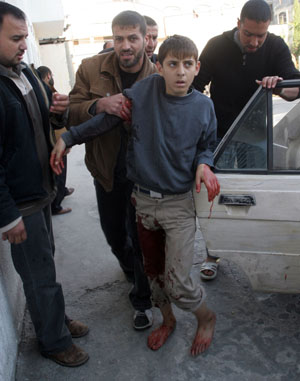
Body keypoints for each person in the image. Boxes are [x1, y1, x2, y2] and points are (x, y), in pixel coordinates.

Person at [51, 34, 220, 356]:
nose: (180, 72)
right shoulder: (143, 93)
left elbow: (207, 146)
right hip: (143, 203)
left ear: (197, 68)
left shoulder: (203, 106)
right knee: (154, 276)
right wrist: (69, 137)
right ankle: (167, 320)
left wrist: (205, 165)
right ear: (159, 67)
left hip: (179, 206)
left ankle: (206, 318)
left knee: (180, 285)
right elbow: (107, 120)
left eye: (187, 65)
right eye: (173, 64)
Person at [0, 2, 89, 367]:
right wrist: (8, 216)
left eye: (26, 37)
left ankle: (54, 318)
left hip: (41, 190)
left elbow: (41, 121)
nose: (24, 45)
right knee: (37, 274)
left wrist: (58, 110)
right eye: (16, 38)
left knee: (45, 266)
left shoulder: (23, 72)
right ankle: (53, 340)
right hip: (21, 204)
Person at [193, 0, 300, 280]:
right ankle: (213, 252)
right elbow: (195, 86)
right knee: (217, 195)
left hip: (256, 133)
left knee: (257, 192)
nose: (254, 41)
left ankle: (258, 249)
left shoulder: (275, 46)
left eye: (260, 35)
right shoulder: (216, 45)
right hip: (219, 134)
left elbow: (295, 88)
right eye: (248, 33)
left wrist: (279, 85)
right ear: (238, 23)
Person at [68, 10, 157, 330]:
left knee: (141, 237)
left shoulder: (158, 77)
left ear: (145, 39)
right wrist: (98, 105)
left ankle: (142, 300)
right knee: (114, 234)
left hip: (143, 177)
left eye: (132, 38)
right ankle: (131, 267)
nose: (125, 46)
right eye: (119, 38)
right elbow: (71, 113)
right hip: (105, 170)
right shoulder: (91, 68)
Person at [37, 65, 75, 215]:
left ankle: (62, 191)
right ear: (47, 76)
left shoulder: (43, 90)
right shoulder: (46, 92)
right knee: (59, 172)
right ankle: (56, 205)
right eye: (51, 75)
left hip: (54, 141)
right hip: (55, 143)